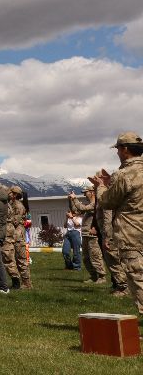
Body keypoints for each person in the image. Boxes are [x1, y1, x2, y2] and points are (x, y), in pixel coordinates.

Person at [92, 132, 143, 315]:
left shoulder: (124, 175)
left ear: (125, 149)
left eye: (119, 149)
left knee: (138, 278)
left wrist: (101, 187)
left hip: (131, 233)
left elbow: (107, 202)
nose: (117, 153)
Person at [69, 187, 105, 284]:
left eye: (86, 192)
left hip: (92, 236)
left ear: (92, 192)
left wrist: (74, 198)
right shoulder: (89, 204)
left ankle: (101, 276)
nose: (84, 195)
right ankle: (93, 276)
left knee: (95, 256)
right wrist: (71, 200)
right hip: (85, 234)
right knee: (86, 258)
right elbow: (75, 210)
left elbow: (82, 208)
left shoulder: (95, 204)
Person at [4, 186, 32, 289]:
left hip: (18, 236)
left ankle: (26, 283)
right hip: (15, 235)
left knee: (21, 260)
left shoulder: (18, 206)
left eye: (10, 192)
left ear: (15, 195)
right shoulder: (12, 204)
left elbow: (15, 221)